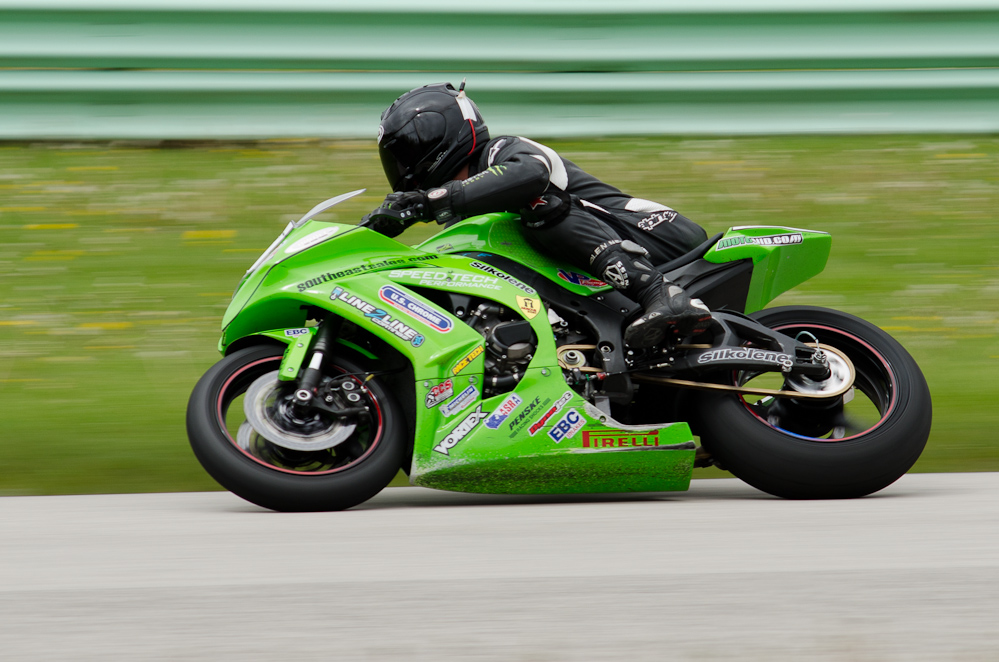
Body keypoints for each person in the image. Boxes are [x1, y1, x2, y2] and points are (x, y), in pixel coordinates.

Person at [363, 82, 711, 349]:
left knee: (539, 205)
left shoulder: (502, 150)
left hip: (655, 233)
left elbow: (529, 177)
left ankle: (661, 293)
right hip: (597, 262)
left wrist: (429, 200)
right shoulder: (460, 218)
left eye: (404, 154)